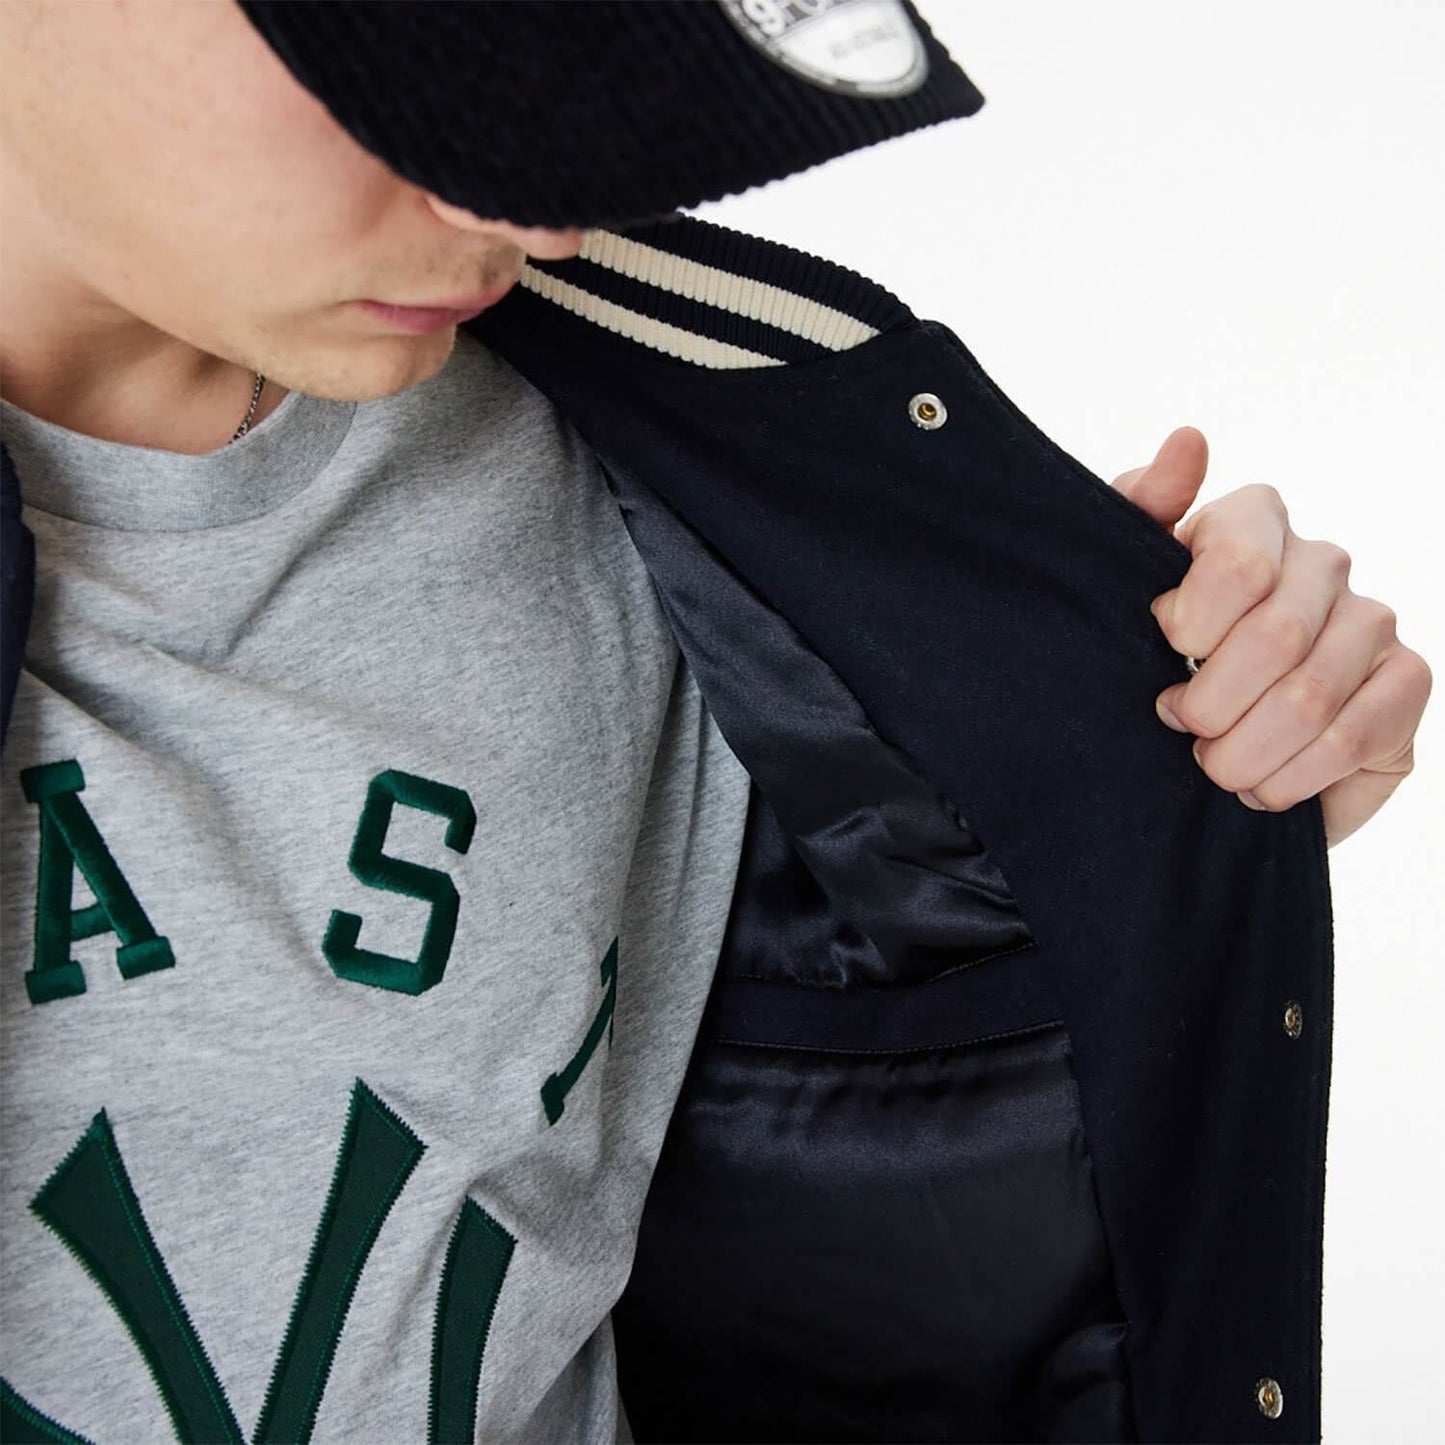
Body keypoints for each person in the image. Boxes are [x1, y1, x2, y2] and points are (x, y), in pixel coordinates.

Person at [0, 3, 1431, 1443]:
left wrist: (1174, 766)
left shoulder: (686, 470)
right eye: (402, 56)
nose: (531, 211)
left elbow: (947, 994)